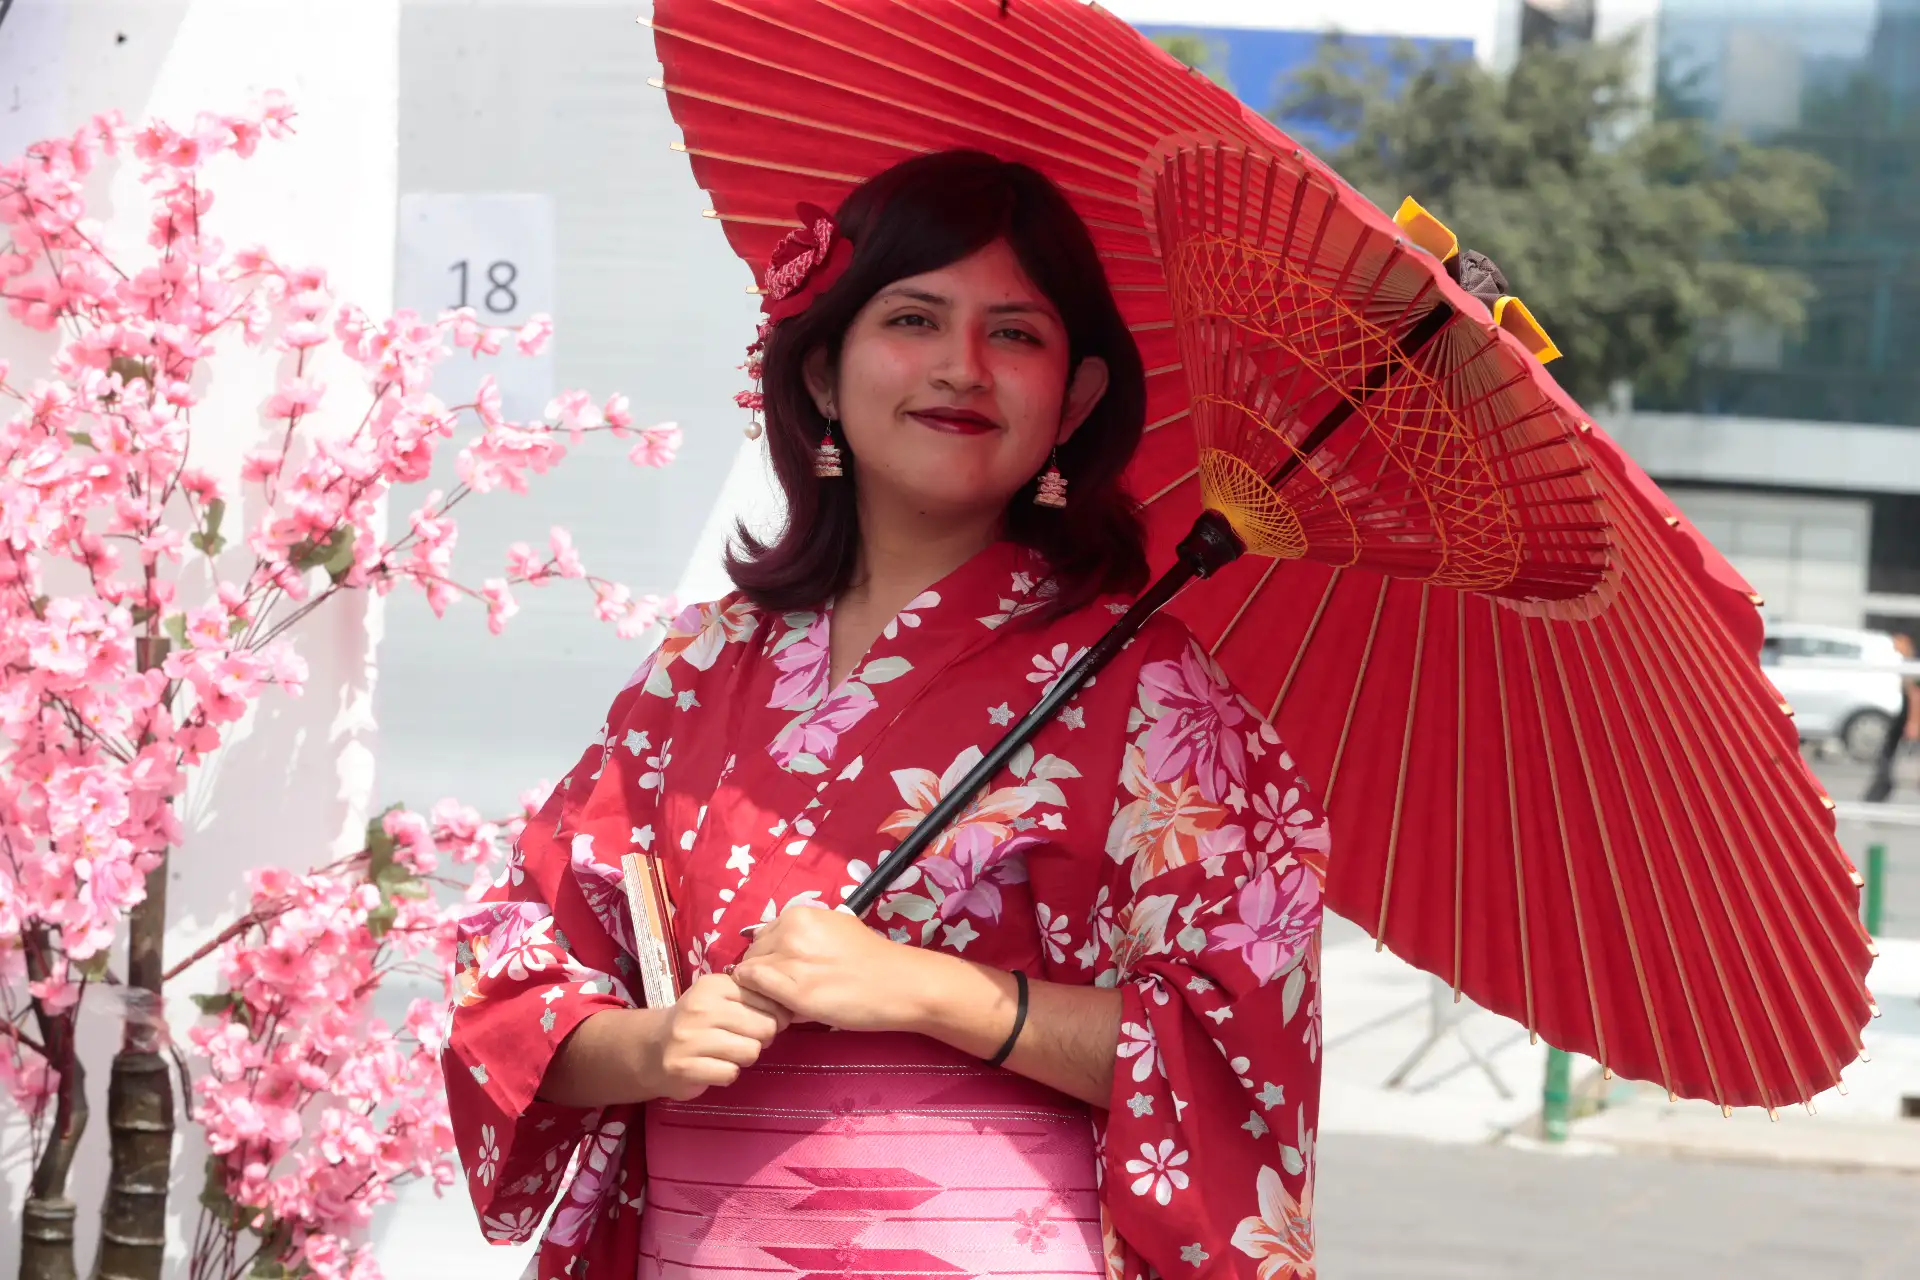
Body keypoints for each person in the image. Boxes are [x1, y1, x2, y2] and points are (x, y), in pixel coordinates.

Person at [444, 151, 1328, 1280]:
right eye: (914, 318)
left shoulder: (1152, 693)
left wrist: (935, 991)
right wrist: (653, 1044)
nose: (962, 367)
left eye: (1016, 333)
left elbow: (1239, 1040)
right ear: (821, 372)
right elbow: (517, 987)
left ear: (1077, 398)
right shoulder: (700, 668)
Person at [1864, 631, 1920, 803]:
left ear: (1907, 641)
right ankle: (1879, 790)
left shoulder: (1913, 663)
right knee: (1888, 752)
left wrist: (1913, 723)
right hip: (1906, 714)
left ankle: (1879, 790)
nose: (1895, 647)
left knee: (1888, 753)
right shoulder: (1907, 661)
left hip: (1910, 715)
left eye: (1898, 642)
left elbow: (1916, 695)